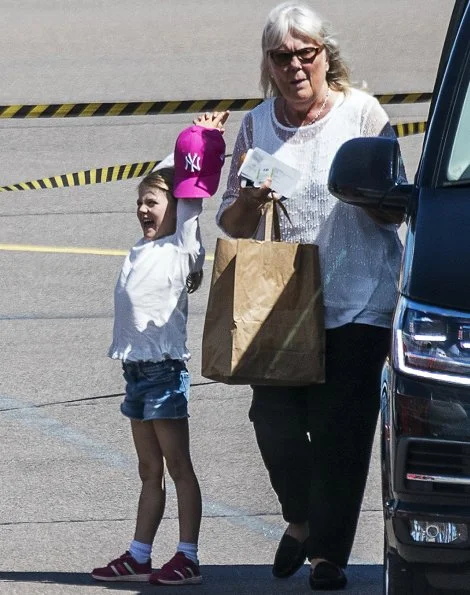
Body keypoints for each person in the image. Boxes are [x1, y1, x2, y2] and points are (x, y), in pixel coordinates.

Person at [216, 2, 403, 591]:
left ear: (327, 55)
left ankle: (328, 557)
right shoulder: (256, 125)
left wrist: (368, 194)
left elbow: (397, 205)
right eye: (282, 56)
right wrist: (250, 197)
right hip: (283, 302)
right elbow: (231, 221)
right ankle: (300, 518)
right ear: (268, 65)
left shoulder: (365, 115)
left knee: (342, 430)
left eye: (306, 53)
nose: (295, 66)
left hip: (361, 293)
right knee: (271, 419)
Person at [91, 111, 228, 586]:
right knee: (149, 470)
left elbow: (189, 187)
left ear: (175, 206)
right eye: (140, 204)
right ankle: (139, 554)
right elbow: (170, 178)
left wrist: (203, 136)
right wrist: (175, 155)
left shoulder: (182, 245)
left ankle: (187, 555)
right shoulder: (140, 248)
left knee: (178, 468)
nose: (144, 211)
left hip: (165, 373)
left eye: (152, 203)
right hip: (134, 372)